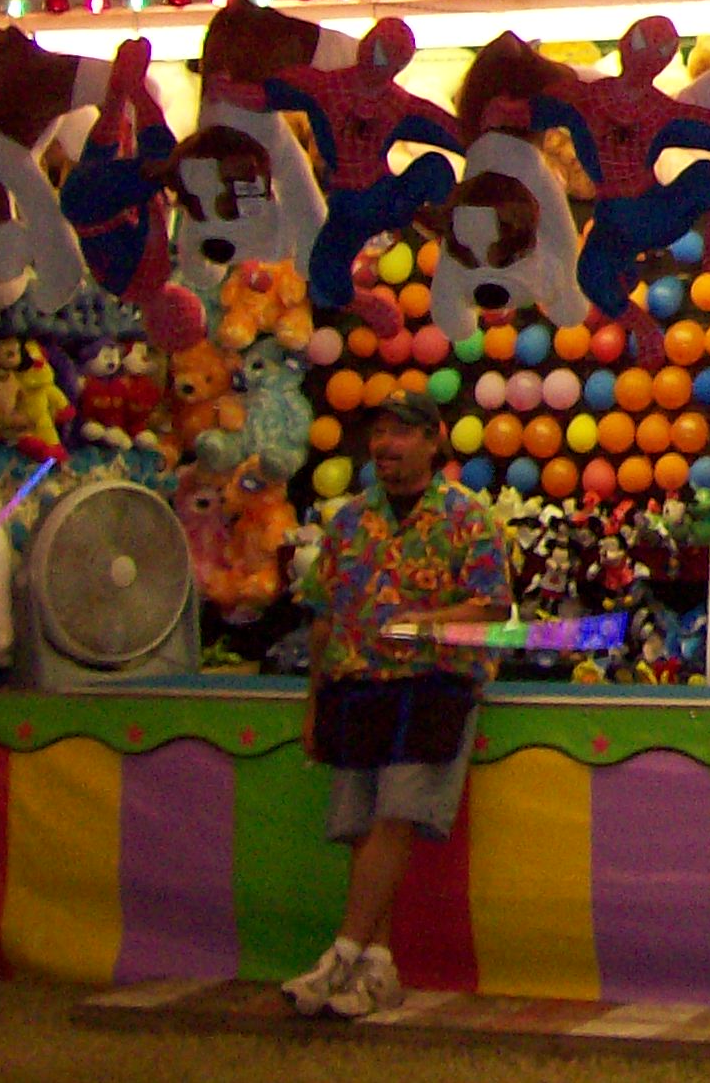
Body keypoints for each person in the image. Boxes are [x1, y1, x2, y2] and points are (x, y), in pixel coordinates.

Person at [282, 389, 511, 1017]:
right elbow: (323, 619)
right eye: (378, 433)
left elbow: (493, 610)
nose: (385, 445)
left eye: (400, 433)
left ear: (434, 441)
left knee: (397, 814)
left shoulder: (468, 517)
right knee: (360, 823)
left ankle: (343, 952)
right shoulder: (350, 520)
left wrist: (426, 623)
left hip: (433, 686)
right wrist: (313, 705)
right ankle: (377, 968)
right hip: (357, 685)